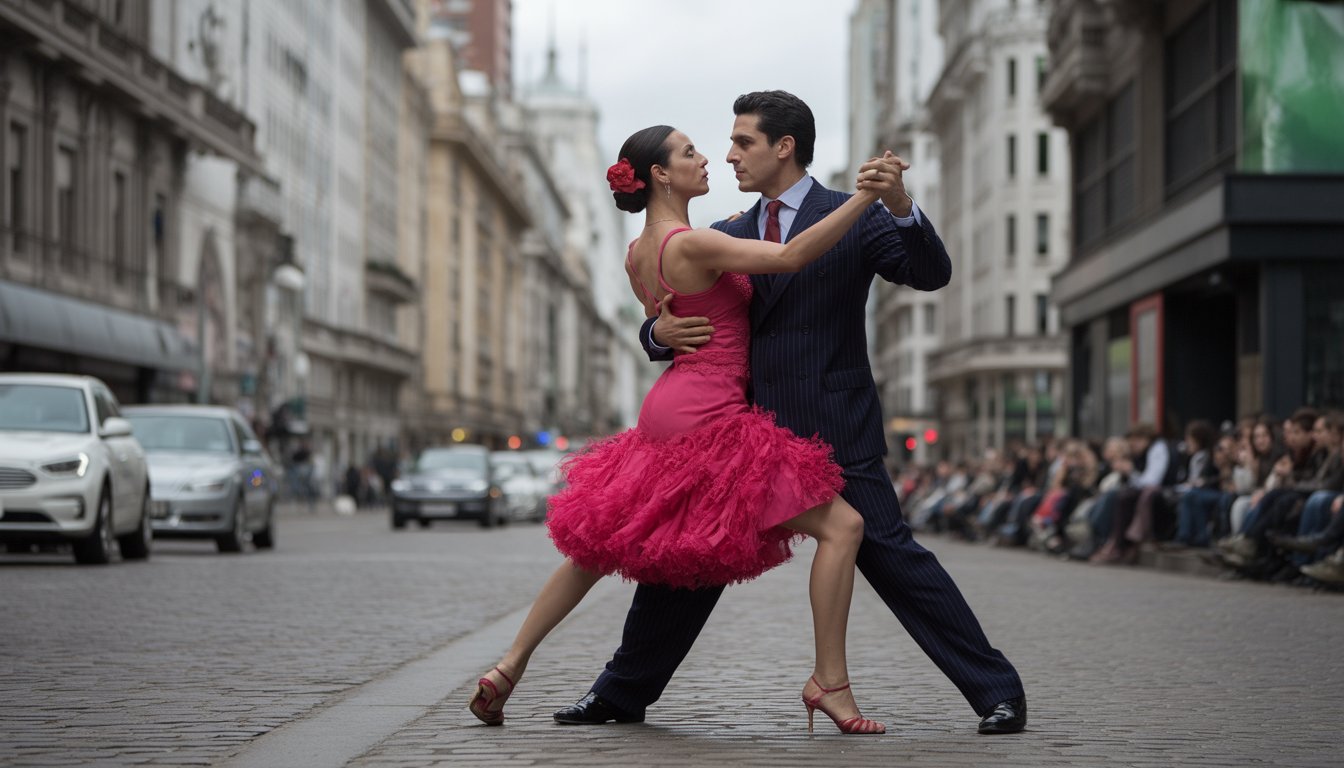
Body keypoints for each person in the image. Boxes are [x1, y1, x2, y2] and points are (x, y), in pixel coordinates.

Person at [553, 91, 1026, 735]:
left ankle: (996, 691)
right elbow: (677, 315)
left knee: (894, 558)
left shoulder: (852, 214)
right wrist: (656, 335)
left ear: (784, 147)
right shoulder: (726, 232)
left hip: (836, 425)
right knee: (689, 563)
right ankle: (620, 692)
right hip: (744, 432)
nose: (729, 155)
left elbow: (930, 273)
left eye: (743, 142)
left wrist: (899, 206)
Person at [468, 124, 898, 734]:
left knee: (599, 547)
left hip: (669, 406)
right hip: (710, 412)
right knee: (845, 526)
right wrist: (864, 199)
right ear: (662, 175)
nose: (706, 159)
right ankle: (830, 681)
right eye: (690, 152)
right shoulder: (692, 243)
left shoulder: (637, 252)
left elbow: (668, 322)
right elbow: (790, 257)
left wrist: (659, 331)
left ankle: (508, 666)